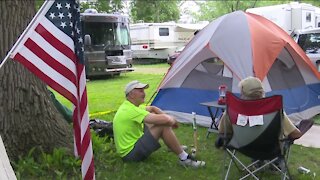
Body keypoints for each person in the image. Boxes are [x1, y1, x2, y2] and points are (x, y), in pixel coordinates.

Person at [113, 80, 205, 168]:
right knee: (162, 125)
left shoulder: (129, 106)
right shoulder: (130, 110)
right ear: (131, 95)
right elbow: (166, 120)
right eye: (141, 91)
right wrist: (172, 120)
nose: (144, 93)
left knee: (154, 119)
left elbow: (153, 108)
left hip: (129, 151)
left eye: (143, 91)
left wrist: (164, 115)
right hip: (130, 155)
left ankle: (172, 146)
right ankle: (184, 159)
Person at [216, 76, 302, 147]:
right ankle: (276, 162)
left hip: (242, 147)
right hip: (269, 150)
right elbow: (295, 134)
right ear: (262, 91)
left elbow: (223, 132)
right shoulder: (274, 110)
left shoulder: (233, 109)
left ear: (242, 91)